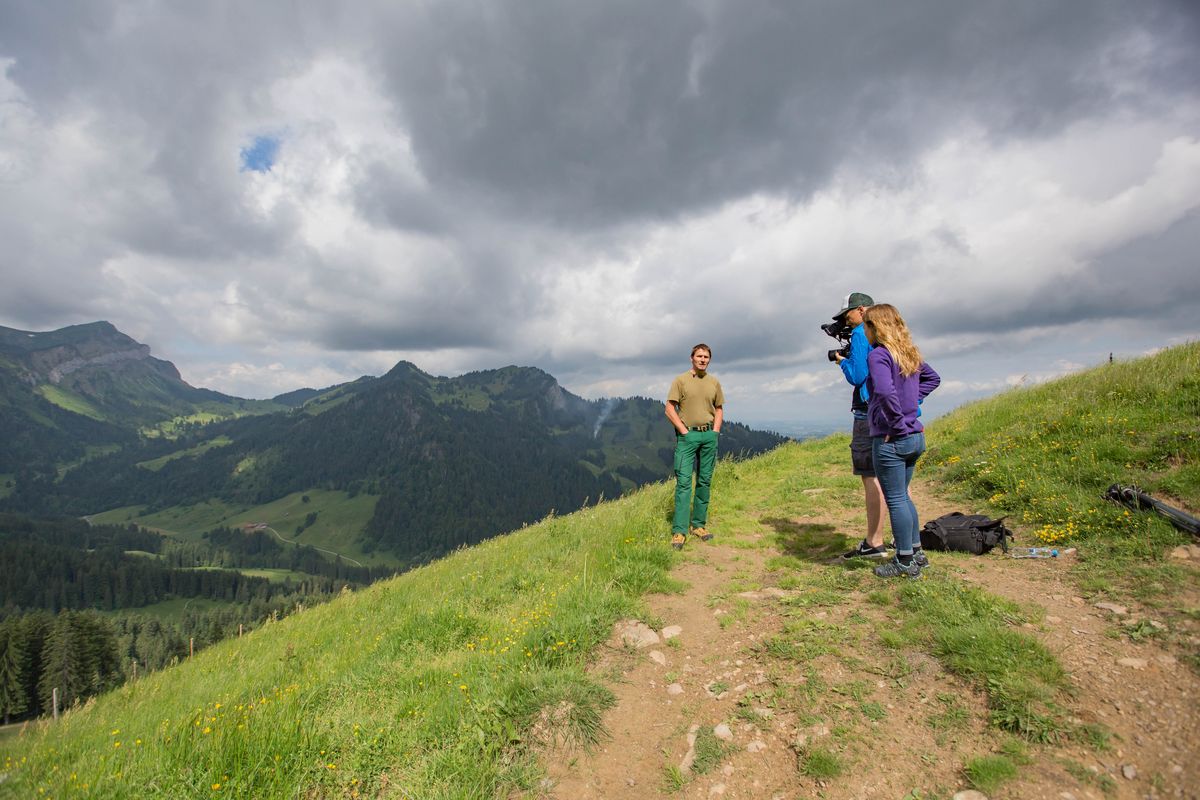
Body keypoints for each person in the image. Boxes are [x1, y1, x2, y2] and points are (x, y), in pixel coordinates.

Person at [861, 304, 941, 578]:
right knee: (903, 498)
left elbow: (883, 391)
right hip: (916, 437)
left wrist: (896, 424)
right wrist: (913, 402)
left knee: (895, 499)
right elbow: (933, 378)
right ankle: (916, 552)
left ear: (875, 328)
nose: (864, 331)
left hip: (893, 439)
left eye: (866, 326)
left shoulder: (879, 356)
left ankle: (904, 560)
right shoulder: (908, 353)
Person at [831, 292, 889, 560]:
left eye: (848, 314)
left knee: (870, 475)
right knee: (895, 477)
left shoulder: (859, 333)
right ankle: (905, 542)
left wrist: (842, 361)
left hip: (867, 411)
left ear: (862, 310)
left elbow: (858, 375)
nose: (846, 319)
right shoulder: (888, 332)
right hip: (890, 410)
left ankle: (874, 542)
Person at [665, 344, 724, 550]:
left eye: (706, 357)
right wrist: (683, 431)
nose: (702, 359)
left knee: (704, 481)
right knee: (683, 483)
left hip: (709, 436)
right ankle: (679, 532)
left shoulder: (714, 382)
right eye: (699, 356)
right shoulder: (680, 380)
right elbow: (669, 408)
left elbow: (719, 408)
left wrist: (715, 431)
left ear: (709, 359)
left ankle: (698, 526)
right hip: (687, 437)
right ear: (691, 357)